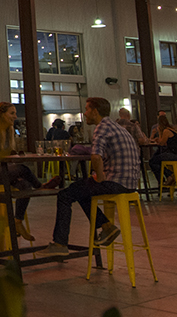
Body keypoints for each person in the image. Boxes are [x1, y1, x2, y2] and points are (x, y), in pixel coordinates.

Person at [40, 97, 140, 256]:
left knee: (65, 195)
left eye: (87, 109)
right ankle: (107, 227)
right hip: (130, 183)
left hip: (115, 181)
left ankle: (60, 243)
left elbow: (95, 157)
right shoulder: (117, 127)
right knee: (81, 190)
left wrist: (99, 177)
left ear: (95, 111)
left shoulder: (102, 127)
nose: (85, 114)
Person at [0, 102, 51, 240]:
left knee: (25, 186)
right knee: (22, 169)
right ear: (2, 114)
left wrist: (14, 156)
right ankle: (41, 187)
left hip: (4, 170)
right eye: (12, 113)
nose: (15, 116)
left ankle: (18, 222)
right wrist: (11, 158)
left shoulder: (9, 129)